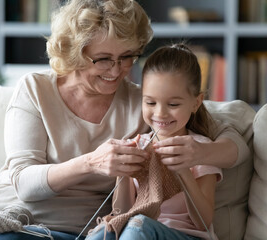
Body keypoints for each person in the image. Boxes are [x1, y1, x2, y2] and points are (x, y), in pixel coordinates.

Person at [0, 1, 247, 240]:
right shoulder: (35, 89)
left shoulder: (146, 102)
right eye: (103, 59)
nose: (116, 70)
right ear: (73, 53)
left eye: (127, 57)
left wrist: (198, 154)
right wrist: (92, 163)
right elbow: (23, 182)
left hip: (62, 228)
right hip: (0, 206)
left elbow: (236, 142)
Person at [85, 43, 222, 240]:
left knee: (137, 225)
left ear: (196, 102)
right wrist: (123, 174)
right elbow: (123, 212)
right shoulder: (139, 145)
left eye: (173, 104)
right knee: (105, 231)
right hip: (136, 230)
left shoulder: (199, 150)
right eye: (150, 102)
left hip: (186, 235)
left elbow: (203, 222)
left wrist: (184, 171)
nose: (160, 113)